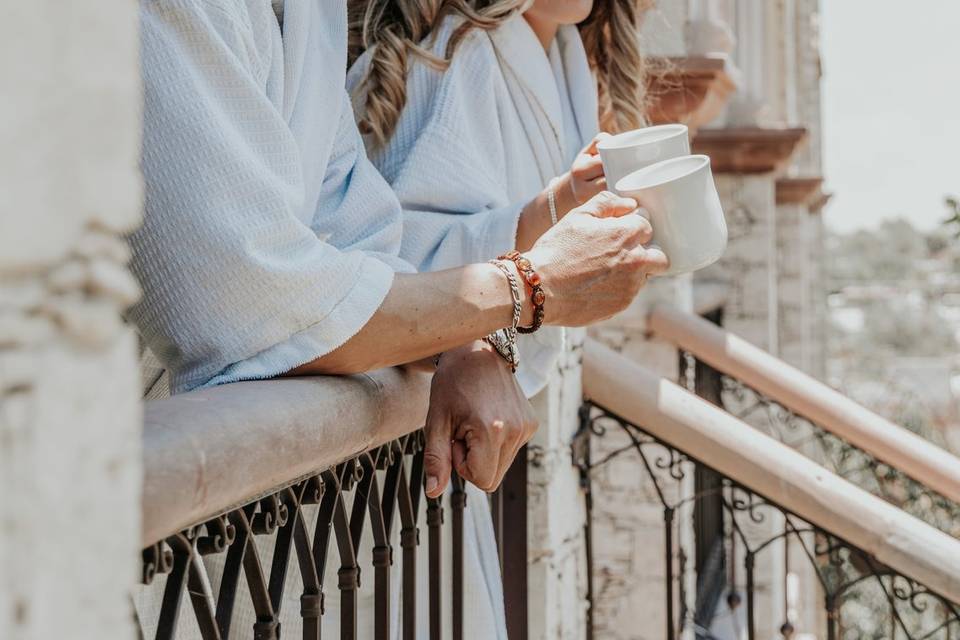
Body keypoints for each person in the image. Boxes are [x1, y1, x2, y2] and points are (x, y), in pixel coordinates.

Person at [347, 0, 652, 636]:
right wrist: (490, 335)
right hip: (403, 453)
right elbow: (397, 260)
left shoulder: (565, 60)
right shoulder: (457, 51)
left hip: (478, 441)